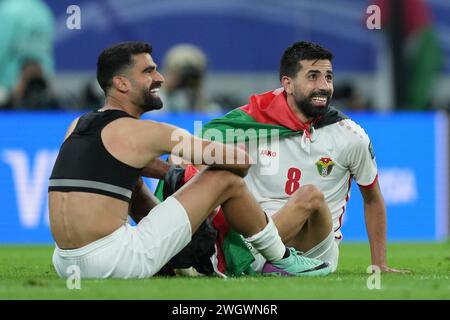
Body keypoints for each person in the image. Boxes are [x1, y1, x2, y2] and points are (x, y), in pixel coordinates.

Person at [48, 41, 332, 279]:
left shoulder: (78, 124)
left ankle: (171, 257)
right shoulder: (148, 132)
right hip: (114, 261)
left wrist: (168, 173)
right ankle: (281, 258)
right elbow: (239, 161)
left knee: (132, 184)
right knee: (224, 179)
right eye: (148, 71)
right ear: (121, 83)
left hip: (65, 263)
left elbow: (120, 165)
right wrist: (185, 175)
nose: (159, 78)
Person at [159, 41, 407, 274]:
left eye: (328, 77)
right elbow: (192, 146)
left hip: (315, 248)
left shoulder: (350, 136)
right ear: (287, 84)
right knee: (208, 173)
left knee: (309, 196)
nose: (324, 85)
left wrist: (379, 264)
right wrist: (183, 160)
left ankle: (230, 259)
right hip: (254, 234)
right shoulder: (253, 121)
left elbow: (372, 199)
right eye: (313, 76)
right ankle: (192, 254)